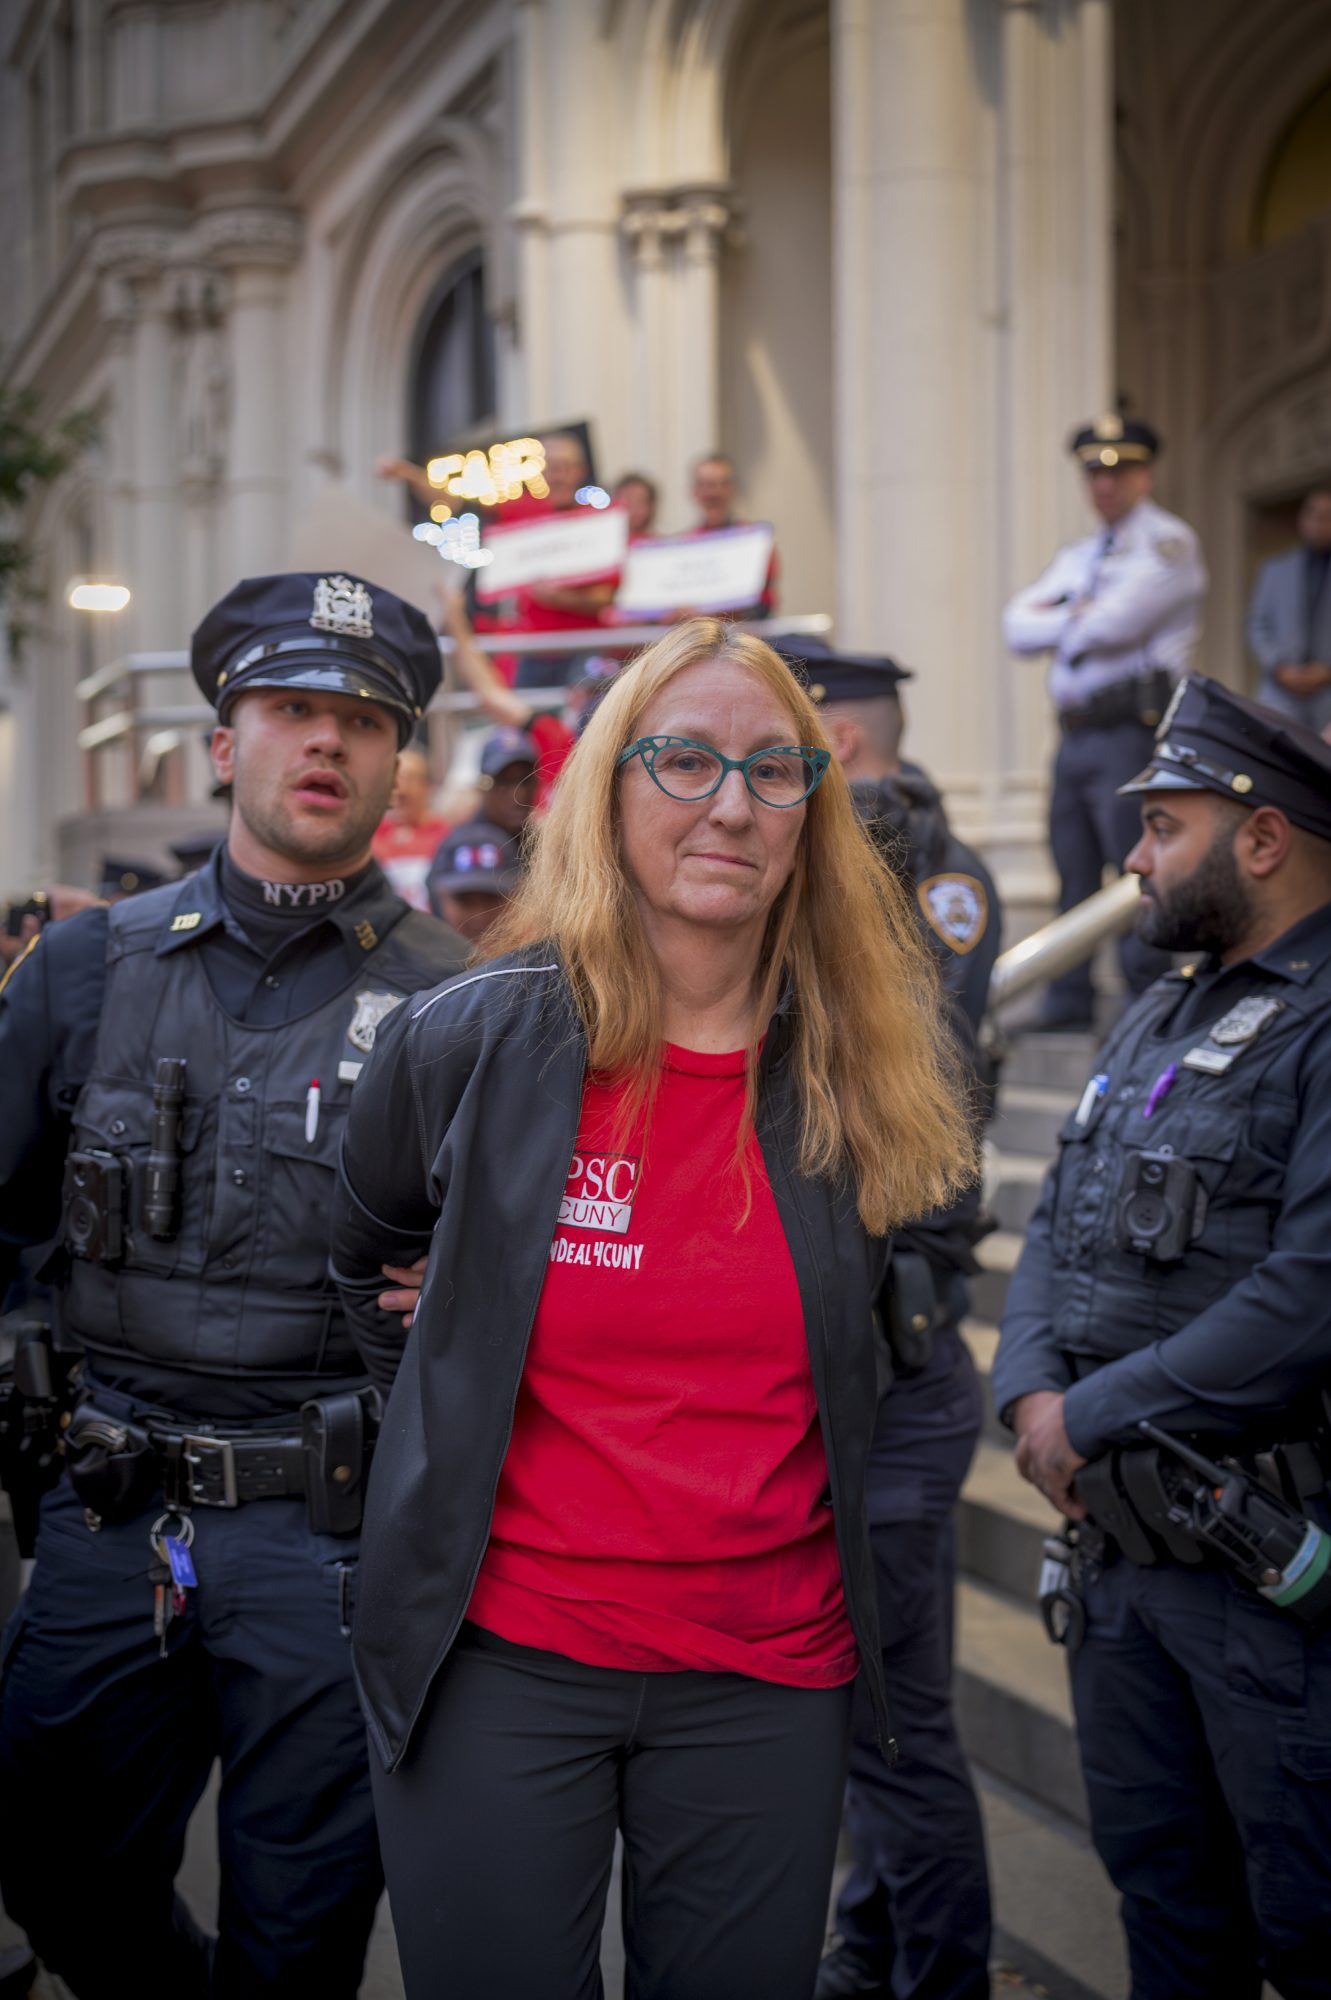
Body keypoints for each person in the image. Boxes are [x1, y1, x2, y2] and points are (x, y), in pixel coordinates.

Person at [328, 617, 975, 2000]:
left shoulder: (866, 1068)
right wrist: (444, 1369)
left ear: (814, 806)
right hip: (500, 1661)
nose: (729, 804)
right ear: (608, 789)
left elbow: (903, 1314)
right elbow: (359, 1254)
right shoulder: (471, 1037)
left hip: (768, 1678)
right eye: (681, 761)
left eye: (770, 768)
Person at [0, 571, 467, 1997]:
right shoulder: (83, 968)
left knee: (304, 1934)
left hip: (334, 1542)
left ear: (399, 762)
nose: (323, 743)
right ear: (222, 743)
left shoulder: (465, 1005)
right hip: (108, 1509)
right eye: (289, 711)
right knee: (51, 1864)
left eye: (360, 721)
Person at [992, 677, 1331, 2000]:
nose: (1126, 857)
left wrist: (1080, 1416)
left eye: (1161, 828)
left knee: (1301, 1932)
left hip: (1256, 1582)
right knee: (1163, 1911)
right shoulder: (1157, 1012)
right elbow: (1054, 1225)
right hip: (1120, 1567)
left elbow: (1304, 1298)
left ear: (1259, 840)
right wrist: (1025, 1389)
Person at [778, 640, 995, 2000]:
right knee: (873, 1725)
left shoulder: (920, 895)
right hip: (853, 1373)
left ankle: (936, 1978)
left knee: (899, 1731)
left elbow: (909, 1135)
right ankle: (870, 1945)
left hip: (896, 1373)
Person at [1003, 415, 1208, 1031]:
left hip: (1130, 730)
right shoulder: (1079, 555)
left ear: (1144, 474)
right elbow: (1016, 628)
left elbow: (1114, 624)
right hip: (1075, 732)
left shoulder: (1169, 543)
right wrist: (1079, 612)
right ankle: (1069, 1000)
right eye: (1094, 471)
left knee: (1136, 864)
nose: (1104, 484)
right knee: (1072, 865)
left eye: (1118, 470)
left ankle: (1148, 1000)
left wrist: (1064, 615)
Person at [1246, 486, 1331, 737]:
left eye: (1328, 516)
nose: (1320, 523)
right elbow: (1257, 626)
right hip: (1280, 694)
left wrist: (1327, 671)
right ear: (1302, 519)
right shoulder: (1275, 569)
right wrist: (1280, 669)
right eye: (1314, 514)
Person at [679, 450, 780, 620]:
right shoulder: (684, 544)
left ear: (732, 489)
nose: (713, 493)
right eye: (705, 484)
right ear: (694, 492)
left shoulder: (755, 542)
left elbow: (763, 602)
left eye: (721, 484)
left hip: (743, 638)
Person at [371, 743, 451, 910]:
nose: (402, 790)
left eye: (411, 779)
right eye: (396, 779)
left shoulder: (447, 837)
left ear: (429, 787)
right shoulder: (368, 837)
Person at [425, 819, 522, 943]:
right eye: (464, 900)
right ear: (439, 898)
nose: (479, 915)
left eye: (492, 898)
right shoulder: (416, 959)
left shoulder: (540, 958)